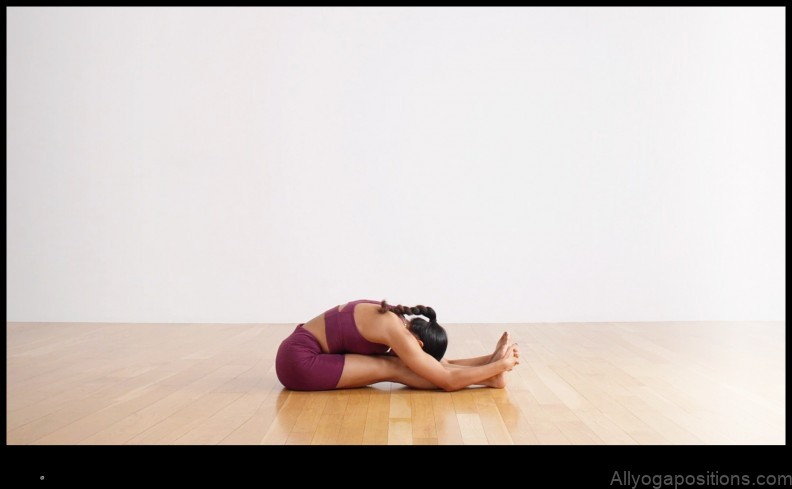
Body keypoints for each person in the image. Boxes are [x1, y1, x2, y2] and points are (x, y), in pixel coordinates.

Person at [275, 299, 519, 391]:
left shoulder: (399, 322)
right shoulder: (396, 332)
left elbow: (436, 366)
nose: (415, 359)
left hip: (298, 352)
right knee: (396, 368)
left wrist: (490, 360)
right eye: (419, 353)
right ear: (419, 342)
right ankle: (490, 378)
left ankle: (489, 371)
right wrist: (502, 365)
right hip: (299, 363)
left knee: (403, 363)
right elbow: (446, 380)